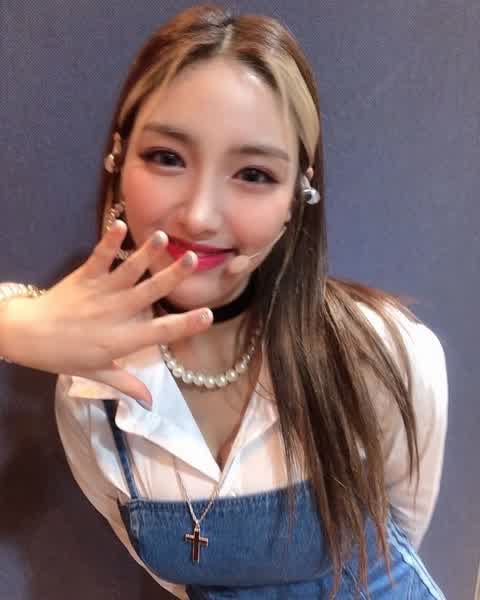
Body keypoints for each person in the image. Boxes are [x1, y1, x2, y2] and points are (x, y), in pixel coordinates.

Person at [0, 5, 448, 599]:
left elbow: (400, 530)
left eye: (254, 174)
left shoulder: (383, 352)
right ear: (119, 161)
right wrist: (10, 325)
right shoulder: (89, 394)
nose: (200, 216)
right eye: (167, 158)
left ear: (297, 197)